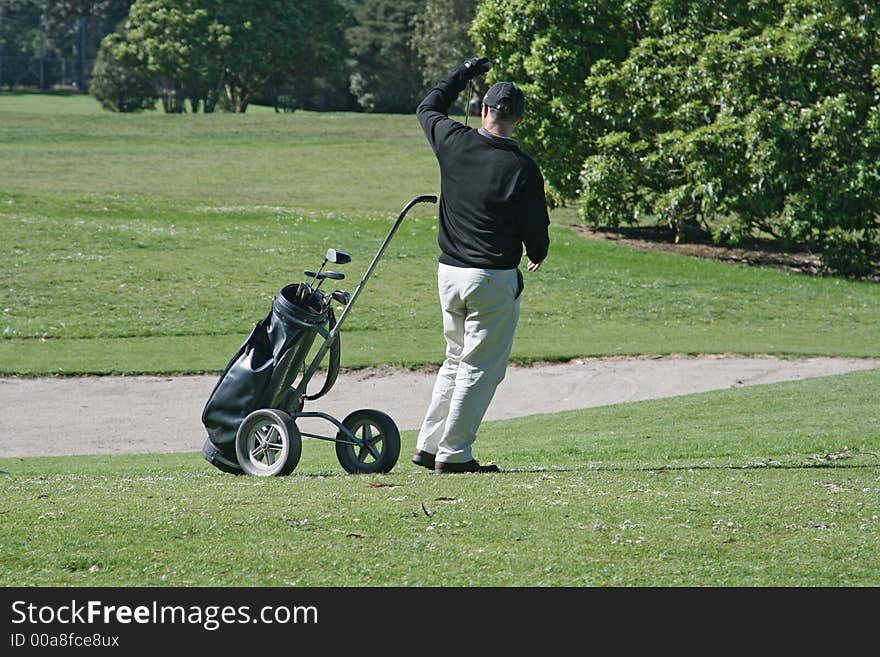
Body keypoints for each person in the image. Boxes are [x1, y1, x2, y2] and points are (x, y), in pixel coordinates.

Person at [412, 57, 550, 474]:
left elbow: (428, 106)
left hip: (449, 274)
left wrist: (463, 73)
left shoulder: (453, 140)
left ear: (484, 110)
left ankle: (428, 446)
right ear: (519, 119)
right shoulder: (522, 168)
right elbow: (536, 231)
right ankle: (454, 456)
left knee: (455, 359)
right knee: (479, 368)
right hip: (492, 277)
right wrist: (537, 253)